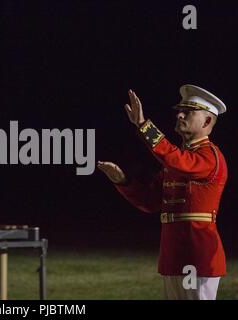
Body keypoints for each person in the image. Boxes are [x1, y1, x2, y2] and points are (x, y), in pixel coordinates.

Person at [97, 85, 228, 300]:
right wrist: (122, 180)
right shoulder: (181, 160)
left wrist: (142, 125)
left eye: (189, 112)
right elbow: (150, 201)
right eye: (180, 110)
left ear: (206, 122)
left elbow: (176, 160)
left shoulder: (209, 156)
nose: (180, 114)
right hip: (174, 253)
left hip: (197, 253)